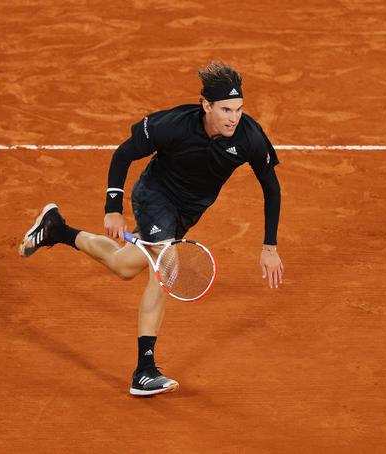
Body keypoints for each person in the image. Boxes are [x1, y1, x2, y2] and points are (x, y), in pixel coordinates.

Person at [19, 62, 284, 397]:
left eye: (239, 109)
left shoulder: (250, 137)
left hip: (187, 212)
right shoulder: (172, 125)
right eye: (226, 110)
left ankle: (57, 229)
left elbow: (271, 188)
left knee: (125, 266)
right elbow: (123, 155)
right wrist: (113, 209)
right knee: (166, 267)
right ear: (207, 106)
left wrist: (270, 246)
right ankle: (144, 370)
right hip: (155, 195)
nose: (234, 117)